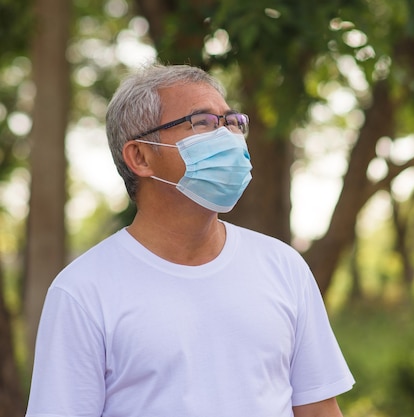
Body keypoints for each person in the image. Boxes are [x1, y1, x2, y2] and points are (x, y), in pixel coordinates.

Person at [26, 64, 354, 417]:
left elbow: (319, 410)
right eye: (203, 123)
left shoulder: (283, 266)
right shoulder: (83, 292)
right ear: (140, 156)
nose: (228, 137)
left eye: (231, 122)